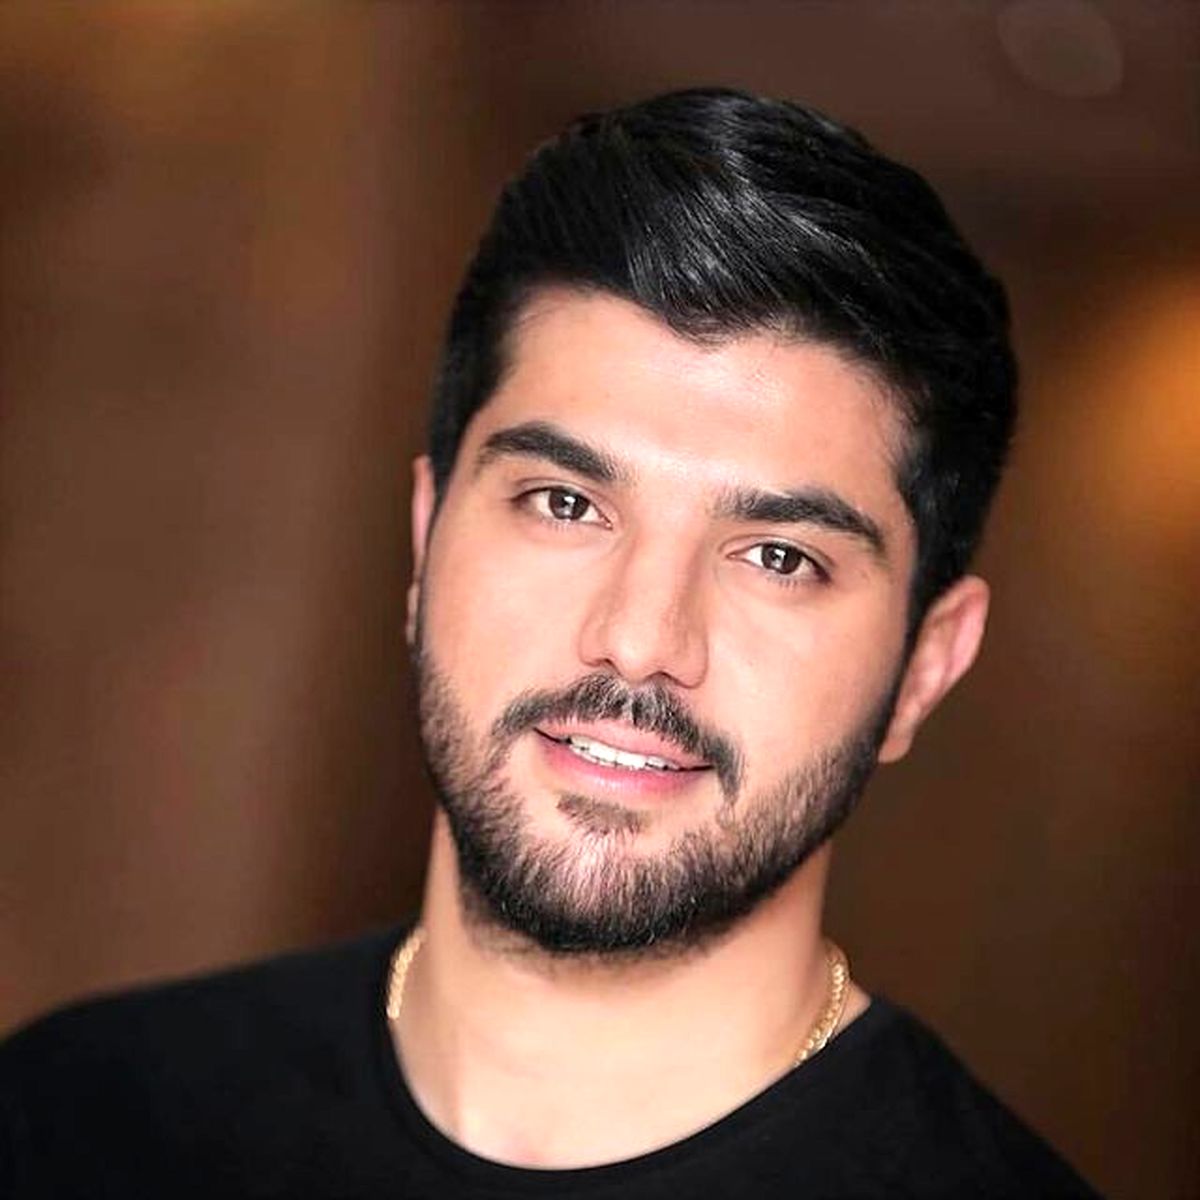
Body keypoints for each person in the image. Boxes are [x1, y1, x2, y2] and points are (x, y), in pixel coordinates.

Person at [1, 87, 1100, 1198]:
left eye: (778, 557)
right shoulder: (71, 1117)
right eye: (566, 504)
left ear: (925, 668)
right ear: (427, 540)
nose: (639, 639)